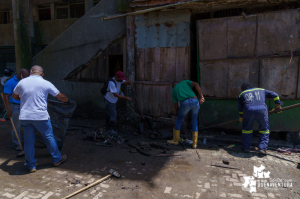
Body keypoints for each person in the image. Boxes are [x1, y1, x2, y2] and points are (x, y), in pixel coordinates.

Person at [12, 65, 70, 173]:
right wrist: (67, 100)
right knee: (48, 137)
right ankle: (57, 159)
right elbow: (60, 96)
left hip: (25, 117)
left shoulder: (22, 83)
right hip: (40, 117)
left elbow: (14, 97)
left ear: (31, 72)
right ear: (42, 74)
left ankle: (31, 166)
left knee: (29, 141)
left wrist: (23, 97)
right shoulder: (46, 83)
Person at [238, 83, 282, 155]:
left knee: (247, 129)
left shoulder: (242, 94)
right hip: (262, 110)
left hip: (249, 110)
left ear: (242, 89)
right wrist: (278, 105)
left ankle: (246, 148)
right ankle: (262, 149)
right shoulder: (261, 90)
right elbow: (275, 95)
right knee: (264, 129)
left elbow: (240, 108)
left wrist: (241, 116)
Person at [168, 80, 205, 149]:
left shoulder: (173, 91)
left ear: (173, 87)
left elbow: (176, 106)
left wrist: (179, 115)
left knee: (179, 120)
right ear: (178, 83)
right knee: (194, 121)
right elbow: (196, 84)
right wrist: (202, 96)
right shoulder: (184, 82)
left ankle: (175, 140)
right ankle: (194, 144)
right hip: (195, 100)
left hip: (185, 103)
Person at [3, 69, 30, 151]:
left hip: (26, 106)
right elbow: (6, 96)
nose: (26, 79)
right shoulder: (10, 82)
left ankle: (28, 143)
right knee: (16, 127)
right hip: (16, 106)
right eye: (24, 77)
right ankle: (17, 144)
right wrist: (8, 109)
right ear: (20, 74)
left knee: (27, 125)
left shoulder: (26, 81)